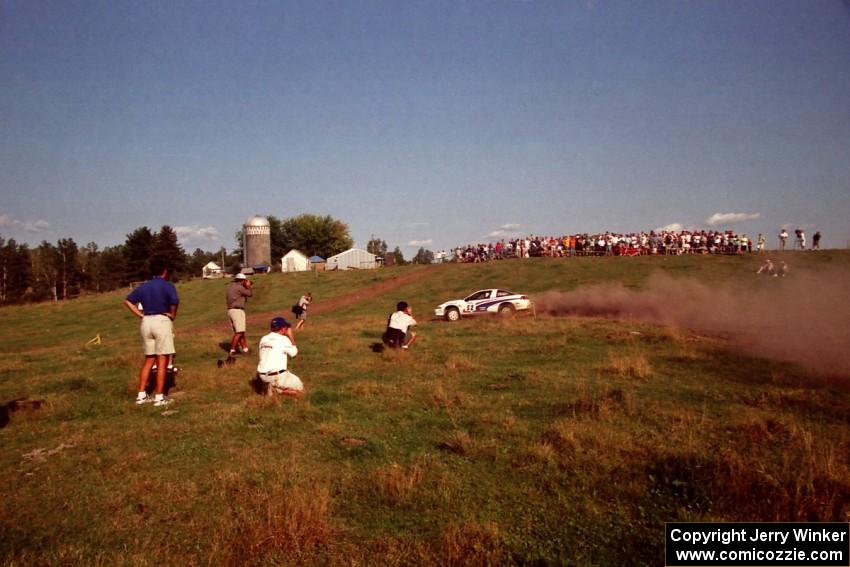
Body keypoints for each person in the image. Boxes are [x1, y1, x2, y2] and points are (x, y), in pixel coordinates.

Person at [123, 261, 179, 406]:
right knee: (162, 360)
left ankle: (141, 395)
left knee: (149, 359)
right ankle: (159, 397)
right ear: (165, 271)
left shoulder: (144, 286)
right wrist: (172, 315)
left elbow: (128, 301)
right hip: (161, 320)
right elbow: (174, 302)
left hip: (146, 321)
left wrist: (140, 315)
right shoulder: (168, 285)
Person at [256, 316, 303, 396]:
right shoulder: (283, 339)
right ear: (283, 329)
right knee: (301, 390)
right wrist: (290, 336)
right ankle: (278, 390)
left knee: (279, 381)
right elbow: (294, 353)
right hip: (277, 375)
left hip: (262, 376)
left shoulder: (264, 339)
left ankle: (272, 387)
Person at [226, 273, 253, 356]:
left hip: (230, 311)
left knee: (240, 332)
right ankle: (232, 350)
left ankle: (245, 350)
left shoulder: (230, 287)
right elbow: (250, 294)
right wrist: (248, 286)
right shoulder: (239, 287)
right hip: (238, 311)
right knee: (239, 332)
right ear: (242, 281)